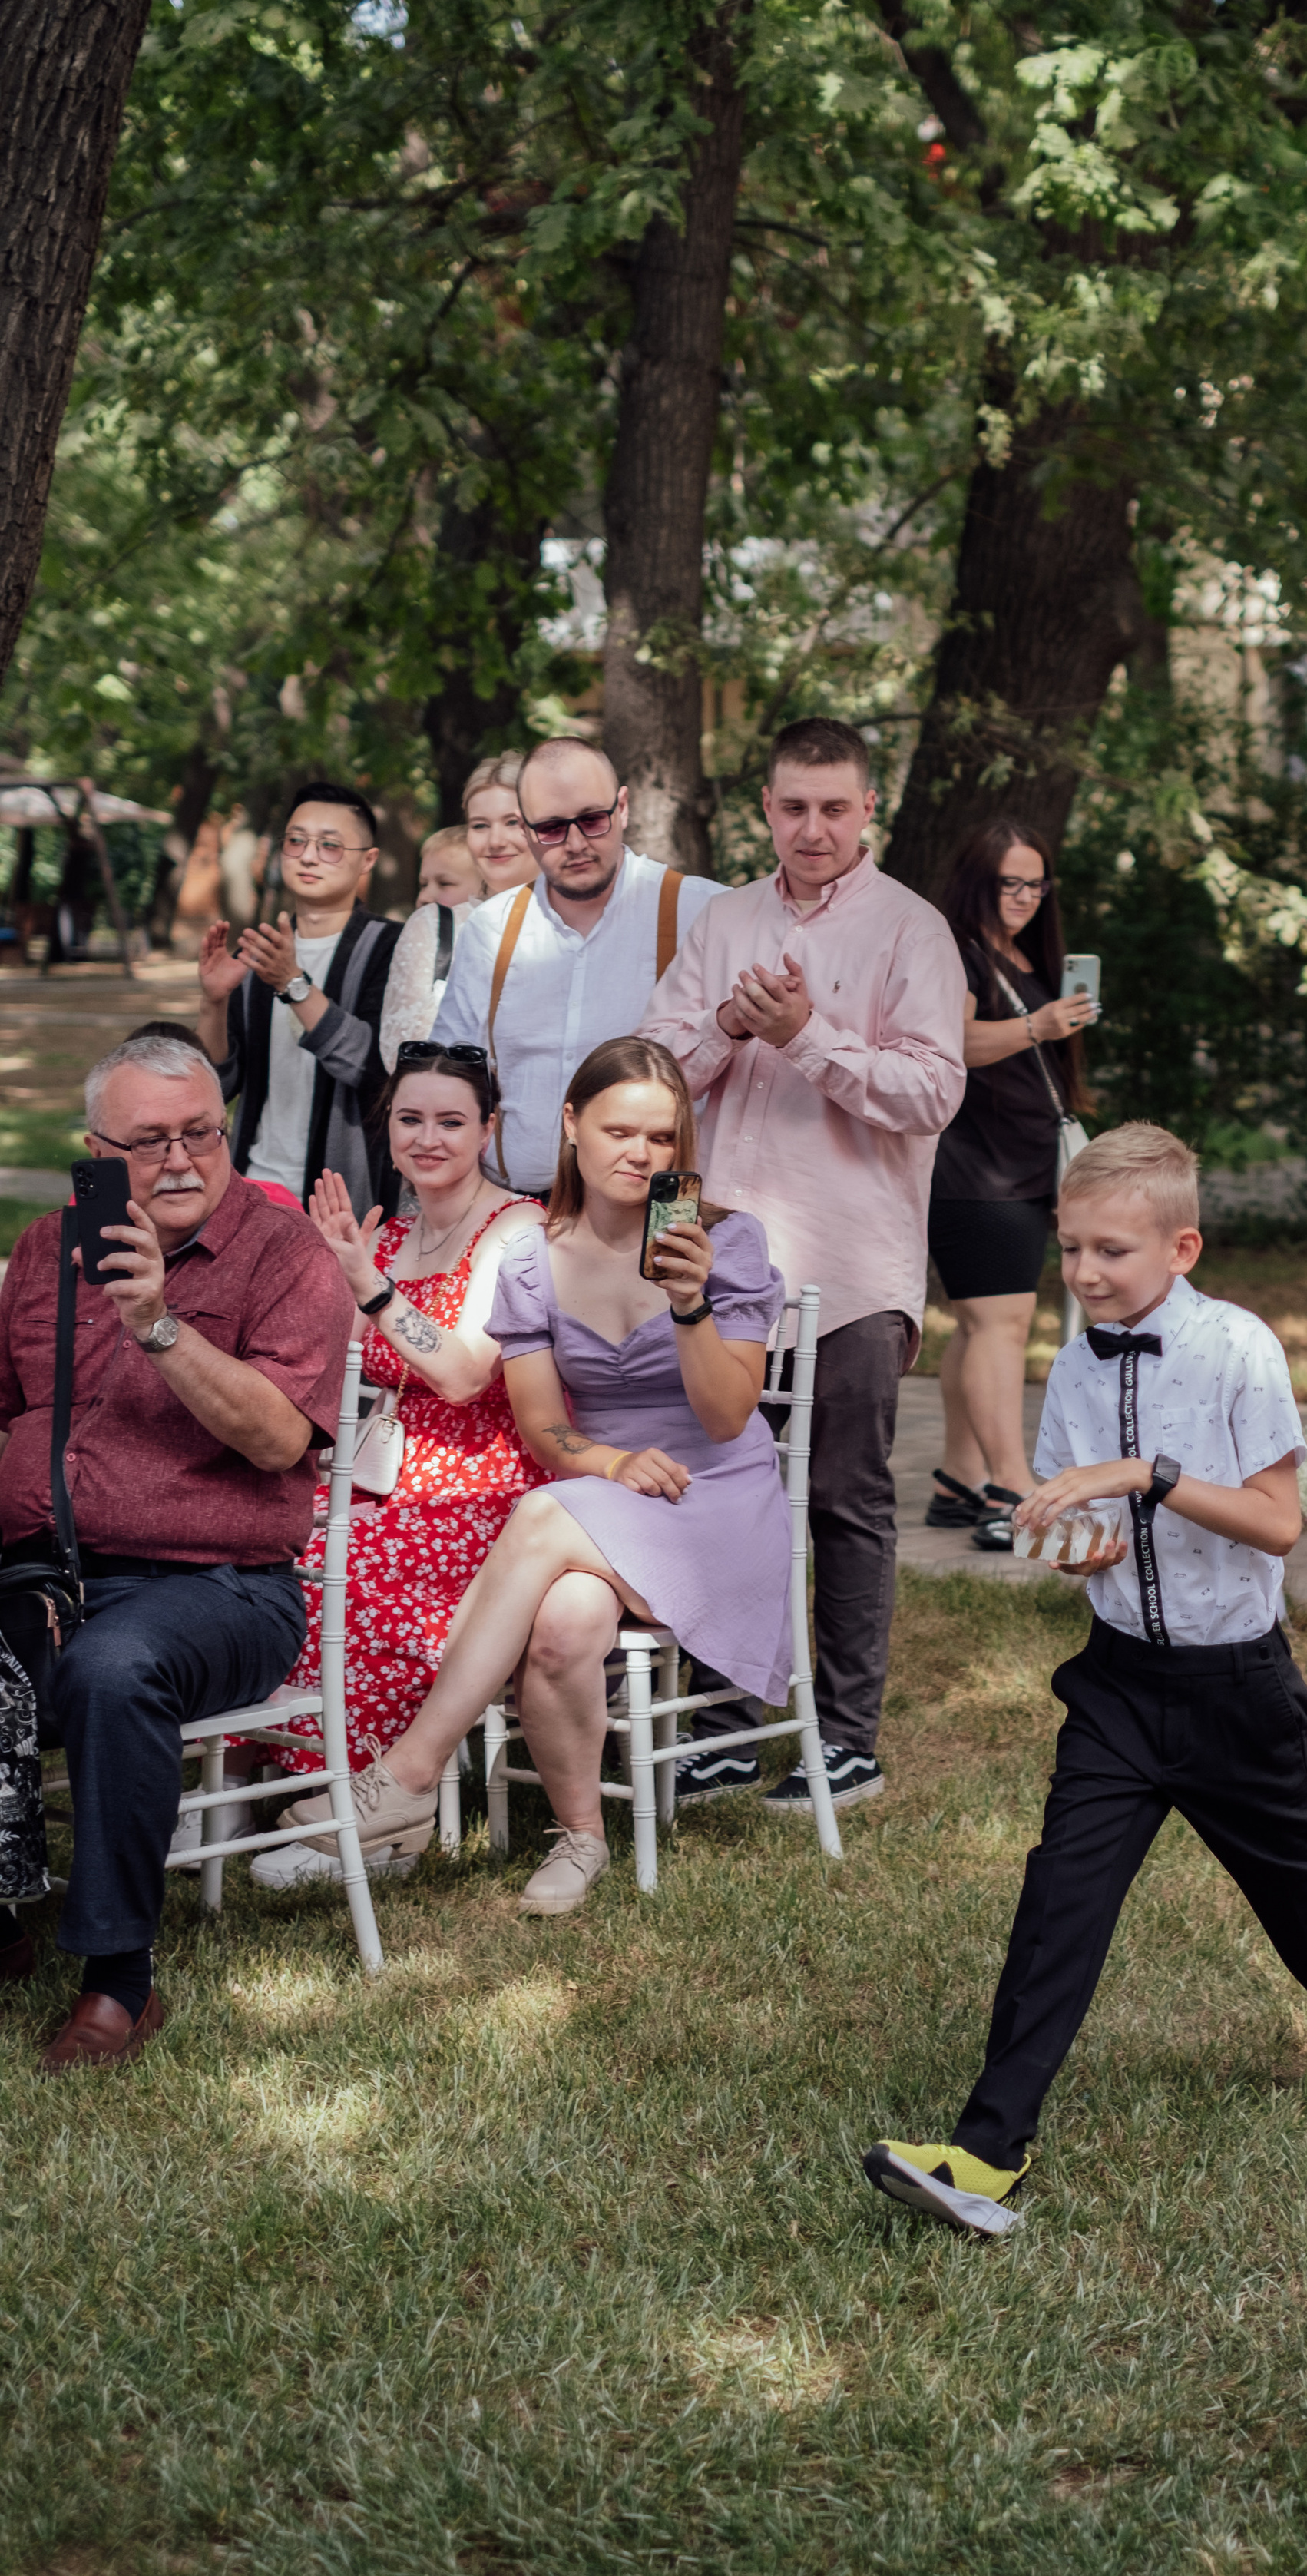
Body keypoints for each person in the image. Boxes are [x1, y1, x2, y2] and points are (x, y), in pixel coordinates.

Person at [861, 1122, 1307, 2236]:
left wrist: (1147, 1477)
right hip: (1116, 1685)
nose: (1083, 1273)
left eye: (1111, 1250)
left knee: (1290, 1876)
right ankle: (985, 2157)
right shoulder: (1075, 1359)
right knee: (1060, 1900)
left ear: (1183, 1248)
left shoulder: (1240, 1349)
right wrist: (1080, 1541)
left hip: (1236, 1686)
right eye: (1070, 1250)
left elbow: (1276, 1526)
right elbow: (1094, 1524)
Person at [274, 1039, 795, 1915]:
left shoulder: (725, 1245)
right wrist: (612, 1462)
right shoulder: (531, 1257)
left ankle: (408, 1769)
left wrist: (690, 1306)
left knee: (546, 1517)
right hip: (602, 1493)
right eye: (620, 1130)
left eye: (663, 1139)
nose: (640, 1153)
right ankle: (582, 1839)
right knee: (561, 1623)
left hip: (714, 1499)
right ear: (571, 1127)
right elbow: (548, 1431)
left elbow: (726, 1418)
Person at [0, 1034, 352, 2068]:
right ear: (95, 1151)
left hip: (220, 1592)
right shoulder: (43, 1250)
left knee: (115, 1669)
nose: (184, 1159)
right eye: (149, 1141)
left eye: (202, 1131)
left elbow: (281, 1438)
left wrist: (156, 1322)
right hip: (47, 1576)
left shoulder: (285, 1258)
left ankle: (119, 1979)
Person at [641, 717, 967, 1817]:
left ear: (868, 808)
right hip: (726, 1263)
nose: (813, 827)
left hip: (854, 1264)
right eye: (793, 806)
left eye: (835, 806)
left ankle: (846, 1740)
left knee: (844, 1504)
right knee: (729, 1499)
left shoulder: (912, 931)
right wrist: (731, 1028)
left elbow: (934, 1091)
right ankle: (730, 1729)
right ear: (766, 808)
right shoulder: (724, 919)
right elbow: (654, 1079)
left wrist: (805, 1036)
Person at [244, 1044, 545, 1888]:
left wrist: (367, 1285)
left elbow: (462, 1373)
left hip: (479, 1481)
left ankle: (375, 1821)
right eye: (410, 1119)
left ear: (488, 1129)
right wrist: (326, 1291)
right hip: (375, 1472)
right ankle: (282, 1787)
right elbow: (346, 1370)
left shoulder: (516, 1229)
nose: (428, 1138)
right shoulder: (396, 1228)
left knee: (362, 1576)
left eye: (451, 1121)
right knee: (272, 1560)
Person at [428, 737, 721, 1197]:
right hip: (514, 1207)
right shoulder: (492, 927)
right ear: (526, 830)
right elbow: (448, 1074)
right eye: (551, 828)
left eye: (592, 819)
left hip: (654, 1211)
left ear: (622, 808)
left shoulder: (703, 911)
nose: (576, 843)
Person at [926, 821, 1099, 1551]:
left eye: (1036, 883)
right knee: (1000, 1326)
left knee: (981, 1328)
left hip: (1021, 1163)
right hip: (975, 1167)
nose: (1025, 897)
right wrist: (1040, 1025)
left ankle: (959, 1479)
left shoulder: (1020, 954)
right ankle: (1009, 1484)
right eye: (1011, 883)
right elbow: (956, 1044)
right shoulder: (957, 954)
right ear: (980, 881)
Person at [196, 778, 400, 1211]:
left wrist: (294, 985)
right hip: (252, 1186)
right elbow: (219, 1085)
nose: (308, 855)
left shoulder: (391, 948)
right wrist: (213, 1002)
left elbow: (375, 1068)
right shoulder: (257, 953)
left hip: (345, 1200)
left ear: (368, 861)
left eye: (330, 845)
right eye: (296, 840)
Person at [379, 827, 488, 1069]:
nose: (426, 896)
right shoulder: (422, 941)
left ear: (484, 885)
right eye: (423, 884)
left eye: (444, 883)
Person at [461, 750, 538, 906]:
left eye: (512, 822)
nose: (495, 842)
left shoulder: (584, 923)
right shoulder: (433, 925)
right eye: (480, 825)